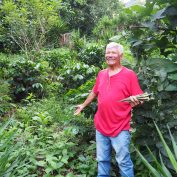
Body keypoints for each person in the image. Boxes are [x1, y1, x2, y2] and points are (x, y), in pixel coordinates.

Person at [74, 42, 143, 177]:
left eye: (113, 53)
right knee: (102, 160)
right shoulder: (101, 74)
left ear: (121, 56)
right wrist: (83, 105)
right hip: (101, 126)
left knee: (123, 161)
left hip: (120, 126)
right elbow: (94, 92)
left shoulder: (129, 75)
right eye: (108, 52)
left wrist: (137, 101)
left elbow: (139, 98)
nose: (110, 55)